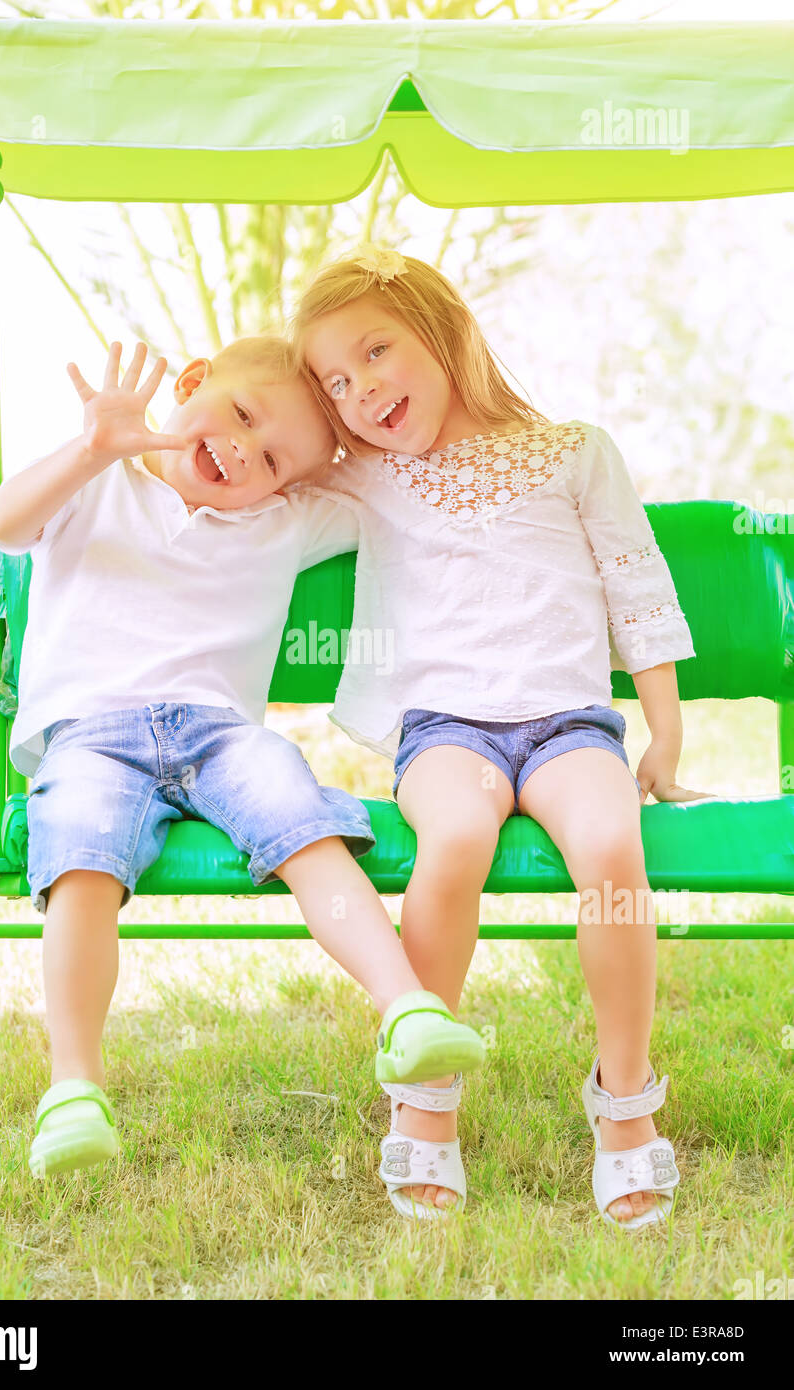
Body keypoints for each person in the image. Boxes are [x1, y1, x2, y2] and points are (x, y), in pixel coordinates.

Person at [0, 334, 486, 1179]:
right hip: (92, 734)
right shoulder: (99, 481)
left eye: (273, 458)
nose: (241, 452)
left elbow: (395, 484)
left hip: (222, 734)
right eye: (242, 415)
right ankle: (73, 1087)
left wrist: (344, 431)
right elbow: (6, 523)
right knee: (81, 855)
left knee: (300, 820)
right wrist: (92, 445)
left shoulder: (284, 520)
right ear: (188, 383)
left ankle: (405, 1008)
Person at [293, 246, 709, 1225]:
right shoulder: (365, 479)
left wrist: (662, 736)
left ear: (442, 330)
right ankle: (424, 1101)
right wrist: (201, 414)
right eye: (336, 384)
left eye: (375, 352)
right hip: (447, 731)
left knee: (610, 848)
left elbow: (636, 590)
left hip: (569, 724)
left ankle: (623, 1103)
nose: (359, 393)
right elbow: (252, 474)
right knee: (456, 840)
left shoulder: (573, 451)